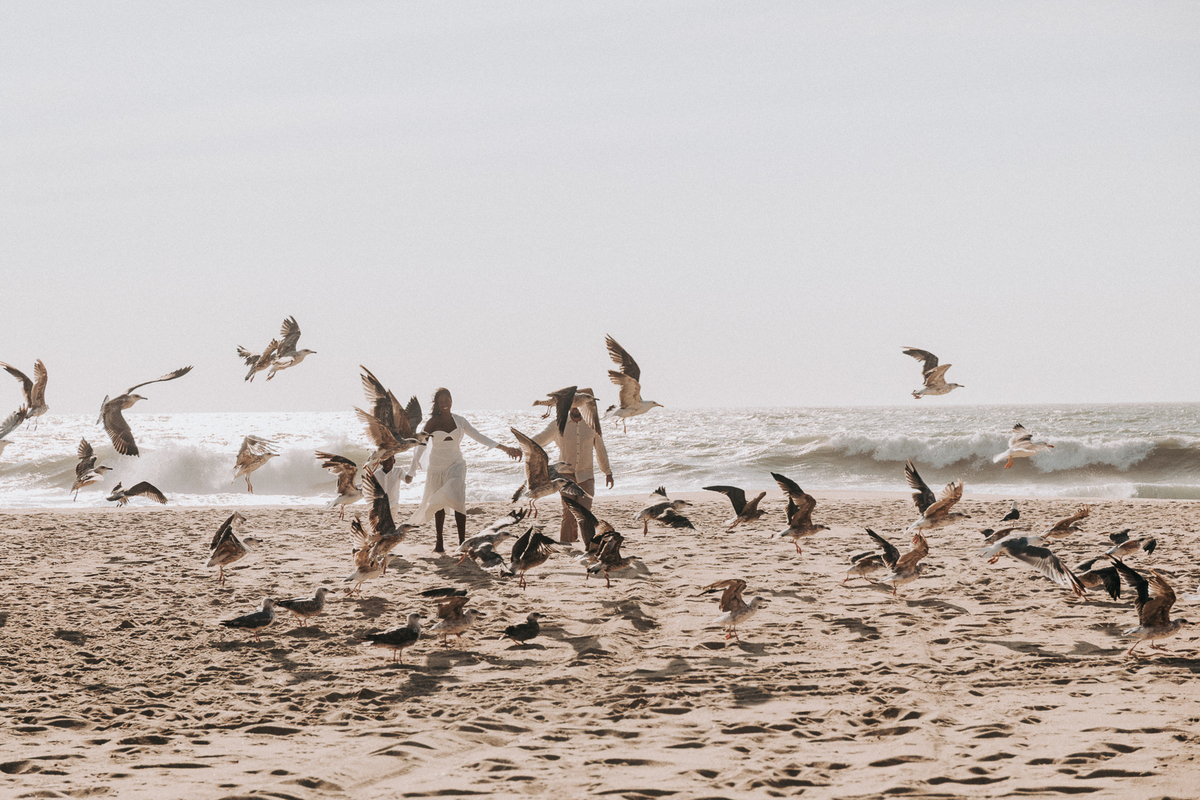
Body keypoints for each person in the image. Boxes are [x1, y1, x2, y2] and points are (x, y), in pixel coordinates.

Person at [406, 387, 521, 553]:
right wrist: (411, 471)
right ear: (437, 404)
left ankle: (463, 542)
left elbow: (478, 436)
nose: (445, 404)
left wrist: (505, 448)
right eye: (441, 402)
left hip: (456, 463)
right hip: (437, 467)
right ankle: (439, 542)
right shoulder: (431, 423)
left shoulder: (460, 421)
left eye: (447, 400)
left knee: (459, 500)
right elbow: (420, 448)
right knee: (438, 504)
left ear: (451, 401)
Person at [531, 388, 614, 544]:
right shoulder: (558, 423)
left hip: (586, 476)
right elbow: (540, 438)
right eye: (572, 406)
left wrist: (607, 472)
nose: (576, 409)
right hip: (565, 476)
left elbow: (600, 450)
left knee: (585, 513)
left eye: (578, 407)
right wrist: (522, 445)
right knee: (568, 513)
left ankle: (589, 546)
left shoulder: (592, 425)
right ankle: (566, 545)